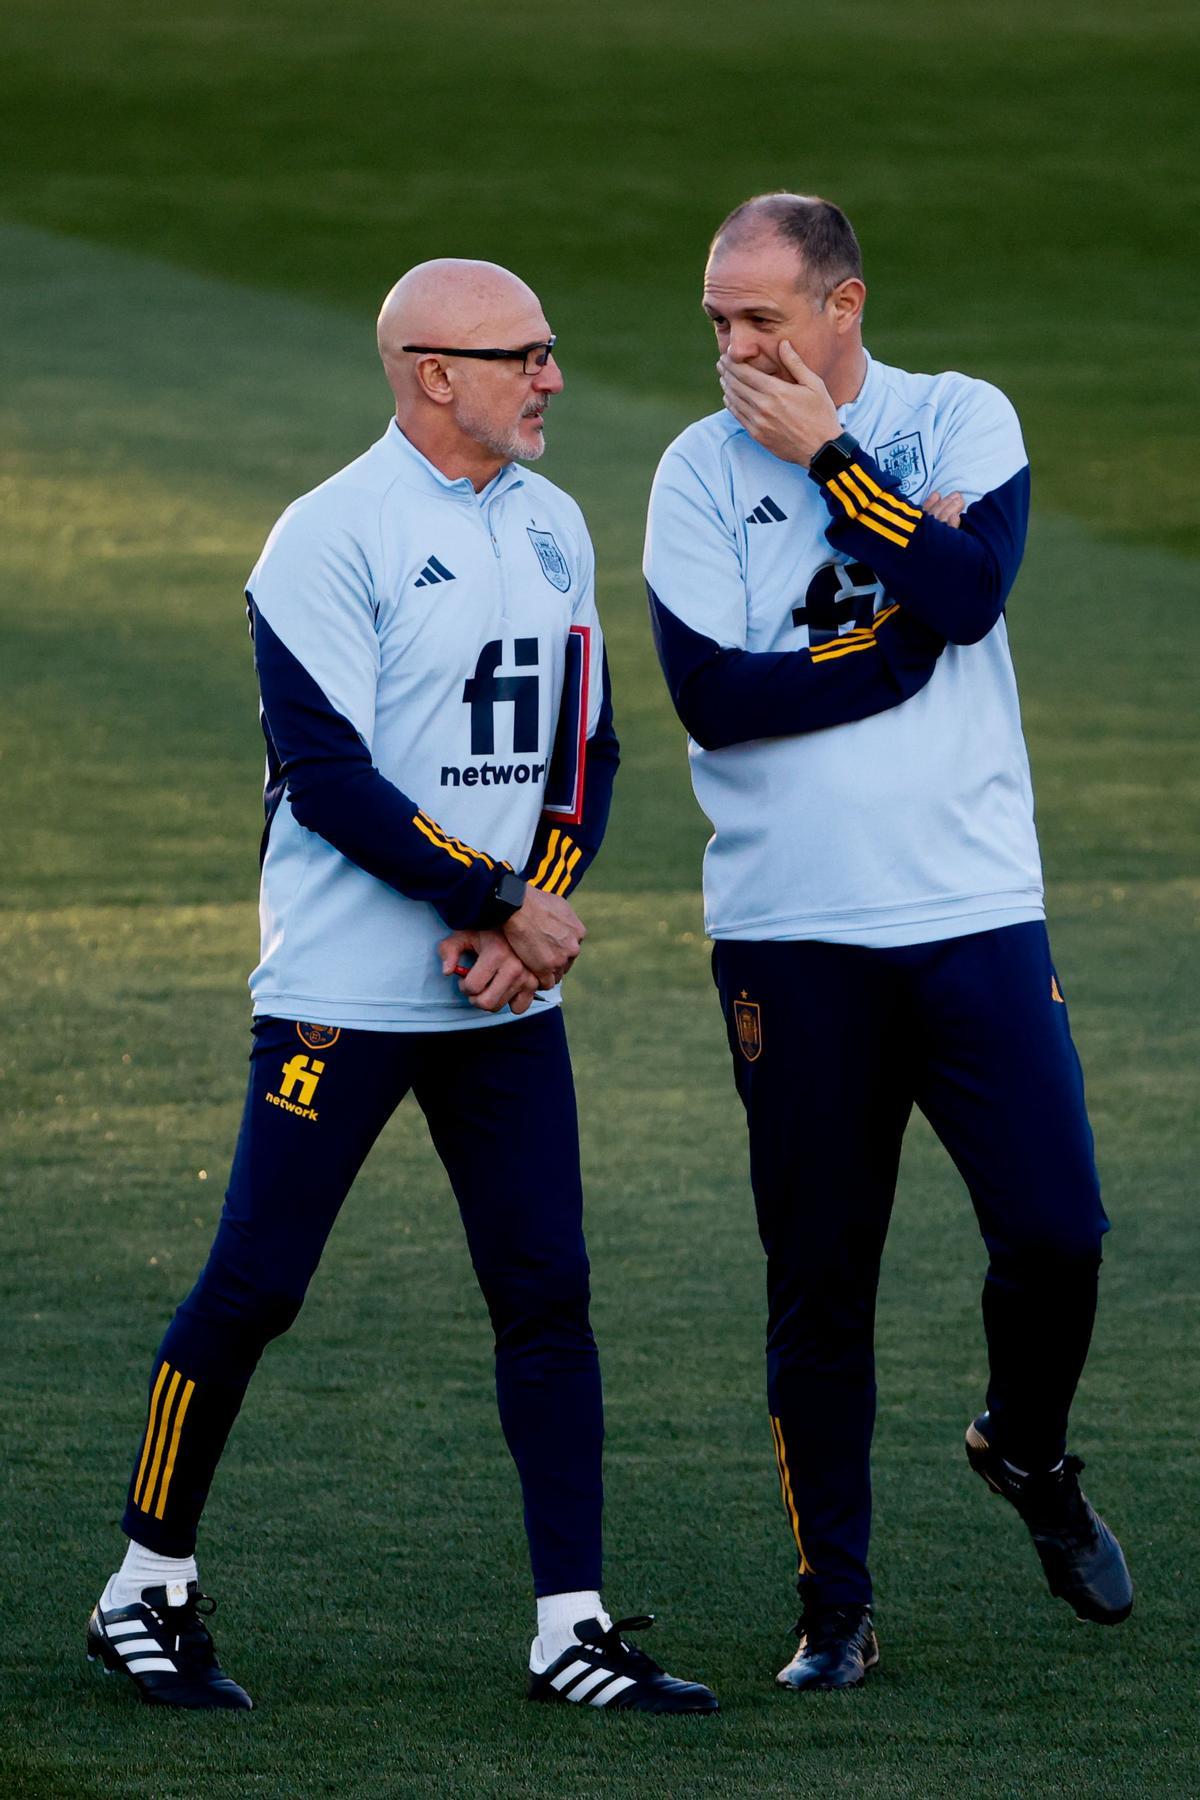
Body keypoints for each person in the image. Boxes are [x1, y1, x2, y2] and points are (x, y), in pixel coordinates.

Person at [87, 258, 716, 1718]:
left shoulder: (555, 526)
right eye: (525, 356)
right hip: (344, 992)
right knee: (257, 1285)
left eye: (551, 352)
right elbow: (328, 780)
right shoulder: (329, 534)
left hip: (504, 998)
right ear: (432, 373)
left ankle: (573, 1623)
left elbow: (585, 755)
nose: (554, 377)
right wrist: (497, 895)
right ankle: (144, 1584)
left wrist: (529, 918)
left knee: (547, 1297)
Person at [644, 194, 1133, 1692]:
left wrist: (833, 468)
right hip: (790, 934)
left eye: (761, 318)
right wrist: (892, 647)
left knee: (1060, 1231)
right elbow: (717, 697)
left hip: (973, 911)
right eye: (717, 319)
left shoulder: (960, 416)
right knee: (820, 1279)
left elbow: (972, 591)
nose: (733, 347)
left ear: (842, 308)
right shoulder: (689, 469)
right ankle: (835, 1607)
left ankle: (1026, 1451)